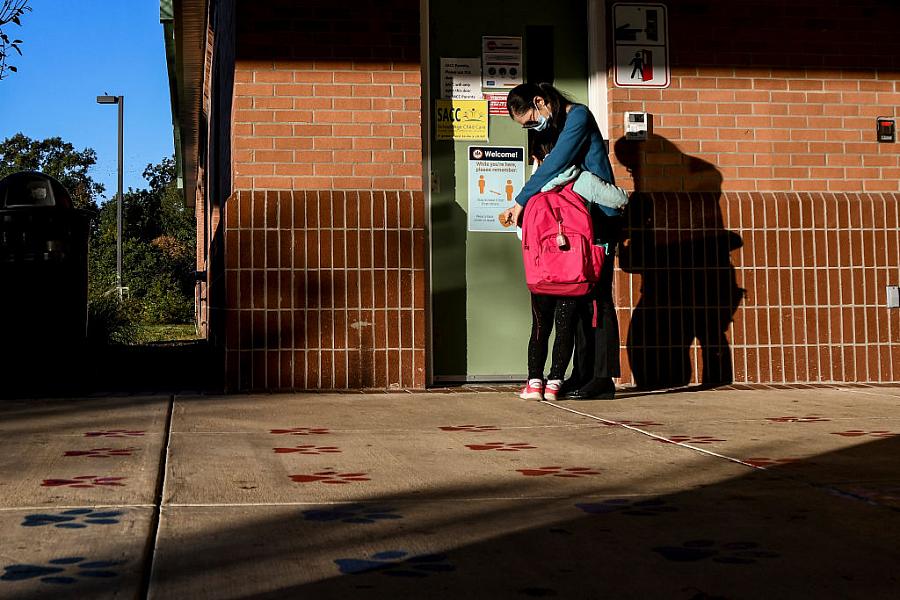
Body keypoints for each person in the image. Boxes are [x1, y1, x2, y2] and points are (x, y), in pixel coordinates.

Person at [500, 82, 622, 400]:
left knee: (597, 299)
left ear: (540, 102)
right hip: (569, 223)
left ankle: (602, 376)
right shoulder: (551, 126)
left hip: (597, 219)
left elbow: (557, 164)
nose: (531, 127)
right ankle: (581, 373)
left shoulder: (577, 117)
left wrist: (521, 201)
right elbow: (543, 168)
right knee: (577, 297)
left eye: (530, 120)